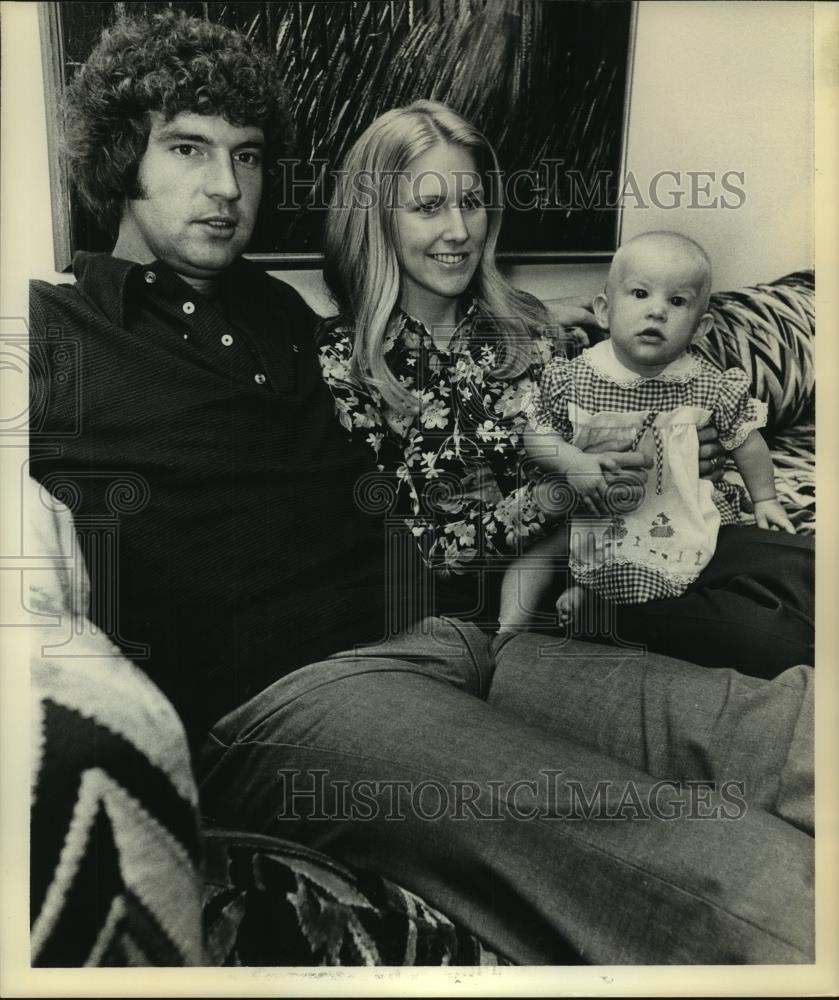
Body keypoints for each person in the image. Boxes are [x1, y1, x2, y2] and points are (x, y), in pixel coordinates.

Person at [30, 14, 814, 965]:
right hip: (296, 701)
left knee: (779, 729)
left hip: (465, 634)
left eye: (248, 155)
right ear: (121, 156)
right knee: (692, 855)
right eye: (188, 149)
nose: (227, 186)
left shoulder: (280, 315)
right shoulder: (47, 335)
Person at [319, 104, 814, 677]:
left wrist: (680, 443)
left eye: (471, 202)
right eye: (430, 207)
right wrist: (571, 486)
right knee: (779, 643)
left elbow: (623, 402)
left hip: (638, 527)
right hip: (520, 594)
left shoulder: (526, 322)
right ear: (376, 218)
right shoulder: (347, 361)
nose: (459, 230)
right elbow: (425, 547)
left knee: (813, 574)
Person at [498, 230, 795, 633]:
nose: (657, 311)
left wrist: (766, 498)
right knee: (544, 557)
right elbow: (537, 433)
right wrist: (572, 462)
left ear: (701, 327)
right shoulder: (575, 377)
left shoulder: (709, 384)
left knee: (695, 561)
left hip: (675, 505)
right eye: (640, 294)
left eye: (677, 302)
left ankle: (598, 603)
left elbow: (746, 440)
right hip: (592, 505)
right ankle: (507, 633)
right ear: (604, 311)